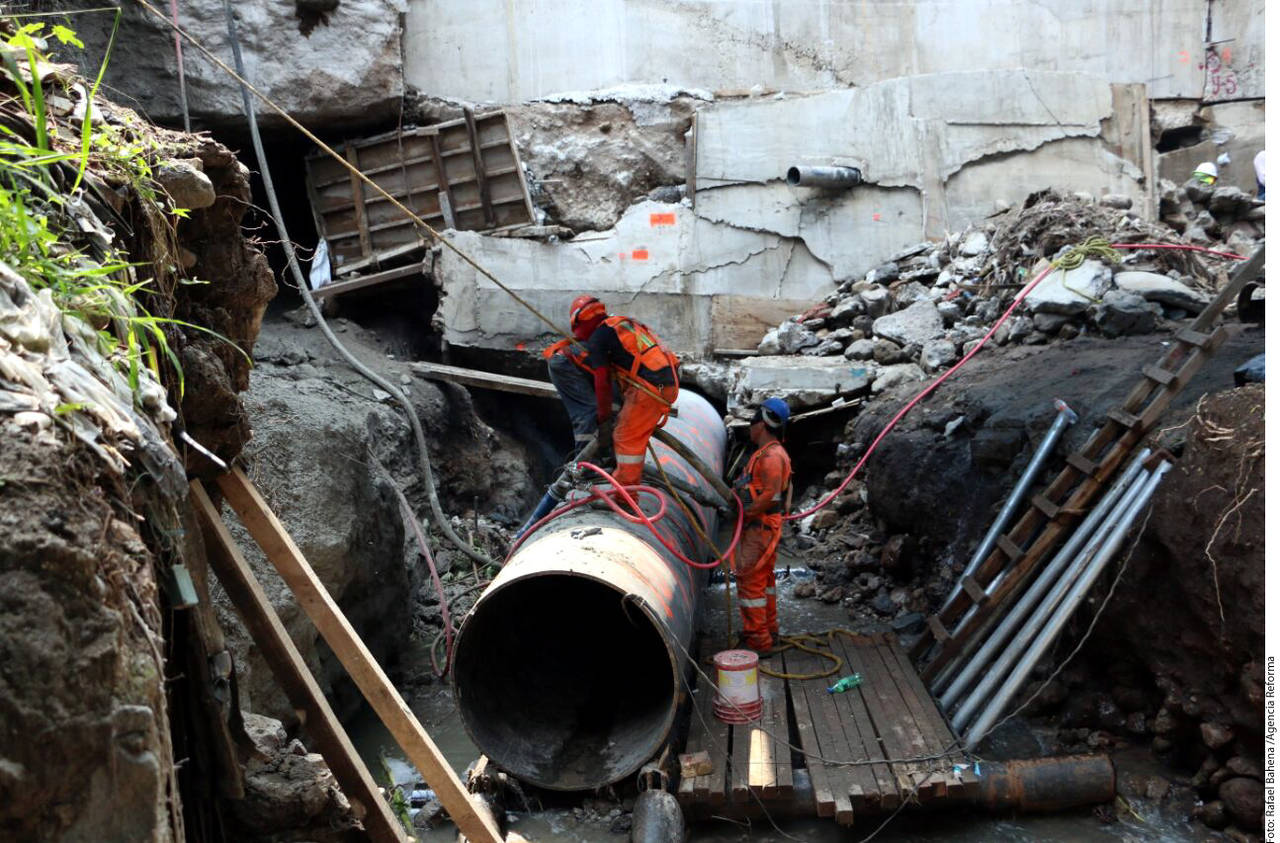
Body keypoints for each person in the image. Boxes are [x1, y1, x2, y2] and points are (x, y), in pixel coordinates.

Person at [544, 295, 679, 486]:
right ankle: (610, 468)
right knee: (623, 426)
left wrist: (604, 418)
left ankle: (623, 495)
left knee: (626, 439)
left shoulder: (598, 339)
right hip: (664, 384)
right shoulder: (622, 326)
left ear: (580, 323)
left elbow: (602, 382)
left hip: (650, 388)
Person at [732, 397, 793, 653]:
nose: (749, 428)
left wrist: (746, 512)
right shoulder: (768, 454)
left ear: (764, 425)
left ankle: (758, 641)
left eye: (752, 423)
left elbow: (771, 494)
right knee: (764, 583)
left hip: (760, 527)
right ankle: (768, 632)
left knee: (750, 583)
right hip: (764, 526)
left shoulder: (770, 457)